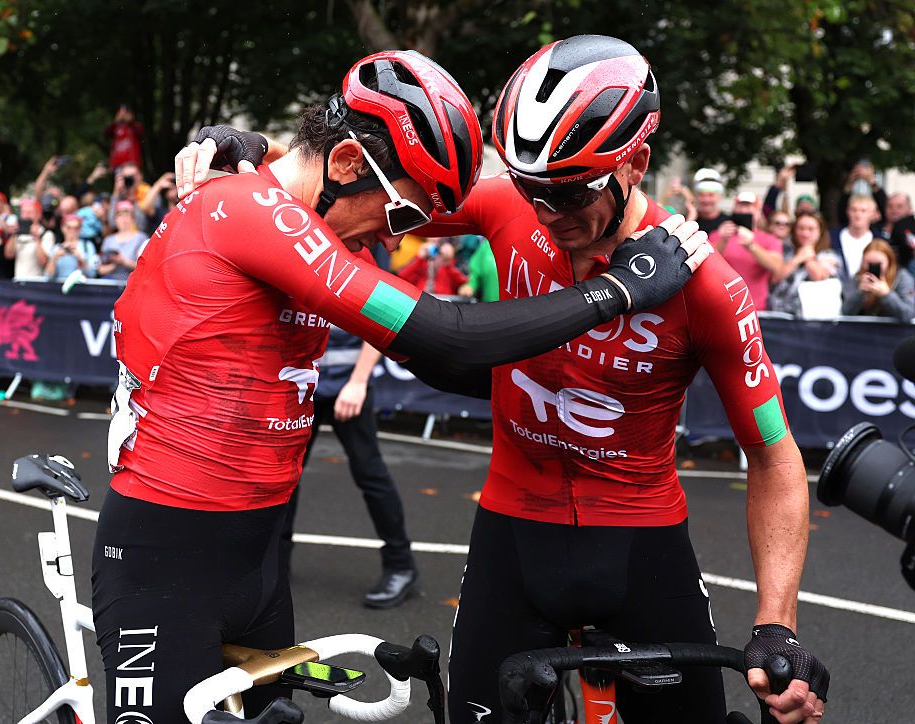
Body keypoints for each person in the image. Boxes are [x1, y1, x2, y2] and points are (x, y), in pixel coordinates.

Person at [187, 33, 828, 724]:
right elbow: (368, 181)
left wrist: (776, 621)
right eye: (533, 189)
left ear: (636, 162)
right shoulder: (506, 208)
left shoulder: (705, 286)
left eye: (572, 192)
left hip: (640, 538)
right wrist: (263, 156)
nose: (549, 215)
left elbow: (775, 455)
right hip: (513, 532)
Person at [282, 329, 419, 608]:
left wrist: (358, 381)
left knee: (370, 474)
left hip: (347, 385)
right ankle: (276, 561)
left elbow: (376, 325)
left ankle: (401, 565)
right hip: (303, 384)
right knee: (286, 476)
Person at [709, 191, 784, 311]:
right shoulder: (718, 235)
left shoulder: (768, 239)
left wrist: (752, 246)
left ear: (758, 213)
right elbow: (705, 265)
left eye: (749, 207)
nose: (744, 211)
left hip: (756, 308)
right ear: (734, 210)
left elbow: (777, 268)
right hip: (721, 307)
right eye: (740, 206)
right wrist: (722, 241)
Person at [768, 212, 843, 317]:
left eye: (811, 229)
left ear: (820, 232)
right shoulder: (785, 252)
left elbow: (819, 276)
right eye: (801, 228)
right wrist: (798, 258)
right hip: (781, 315)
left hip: (813, 319)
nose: (805, 234)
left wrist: (809, 258)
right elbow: (775, 278)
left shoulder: (829, 256)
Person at [841, 239, 915, 322]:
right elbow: (846, 312)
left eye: (878, 264)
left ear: (889, 261)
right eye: (869, 263)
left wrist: (886, 295)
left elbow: (909, 314)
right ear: (863, 262)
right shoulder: (858, 278)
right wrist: (860, 293)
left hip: (893, 332)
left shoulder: (902, 278)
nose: (874, 267)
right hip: (862, 331)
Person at [97, 200, 148, 281]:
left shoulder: (141, 238)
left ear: (133, 219)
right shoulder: (108, 240)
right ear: (115, 220)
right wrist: (115, 264)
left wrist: (123, 262)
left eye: (127, 216)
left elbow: (147, 266)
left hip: (132, 284)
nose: (124, 220)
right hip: (110, 284)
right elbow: (100, 269)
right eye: (120, 216)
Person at [830, 193, 878, 278]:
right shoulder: (832, 237)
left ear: (873, 214)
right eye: (854, 210)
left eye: (863, 211)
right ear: (847, 211)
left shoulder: (879, 240)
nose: (858, 215)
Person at [397, 238, 468, 295]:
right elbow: (402, 277)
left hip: (443, 300)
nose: (435, 240)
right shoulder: (422, 260)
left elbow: (463, 281)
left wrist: (448, 263)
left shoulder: (449, 260)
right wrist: (419, 258)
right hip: (421, 298)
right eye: (432, 236)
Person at [105, 104, 145, 171]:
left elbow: (141, 132)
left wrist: (130, 121)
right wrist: (116, 122)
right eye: (120, 113)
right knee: (119, 181)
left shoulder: (134, 127)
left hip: (132, 164)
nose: (123, 116)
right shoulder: (115, 128)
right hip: (117, 165)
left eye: (125, 113)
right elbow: (106, 133)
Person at [692, 167, 730, 233]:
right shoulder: (689, 220)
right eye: (702, 195)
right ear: (696, 196)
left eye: (711, 195)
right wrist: (691, 218)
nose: (706, 200)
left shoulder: (729, 224)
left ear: (720, 196)